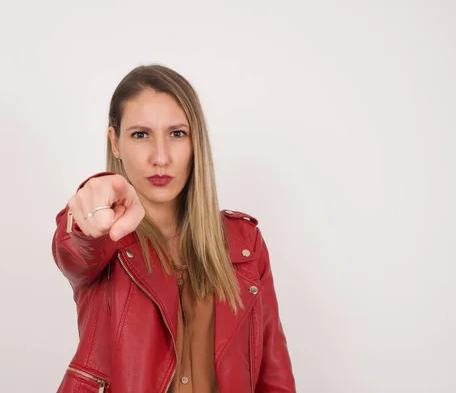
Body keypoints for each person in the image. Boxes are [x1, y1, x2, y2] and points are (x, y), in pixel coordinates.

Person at [51, 64, 295, 393]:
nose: (161, 157)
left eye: (177, 133)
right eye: (141, 134)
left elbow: (273, 376)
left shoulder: (244, 242)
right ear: (116, 142)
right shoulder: (105, 239)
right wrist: (89, 213)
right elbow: (75, 250)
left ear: (196, 142)